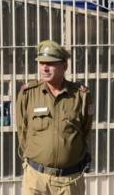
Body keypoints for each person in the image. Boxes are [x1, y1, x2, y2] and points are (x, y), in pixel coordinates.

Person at [16, 40, 94, 195]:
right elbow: (22, 131)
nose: (45, 68)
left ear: (64, 66)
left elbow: (85, 130)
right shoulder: (28, 94)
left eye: (50, 64)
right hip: (36, 179)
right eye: (41, 63)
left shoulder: (81, 95)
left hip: (69, 181)